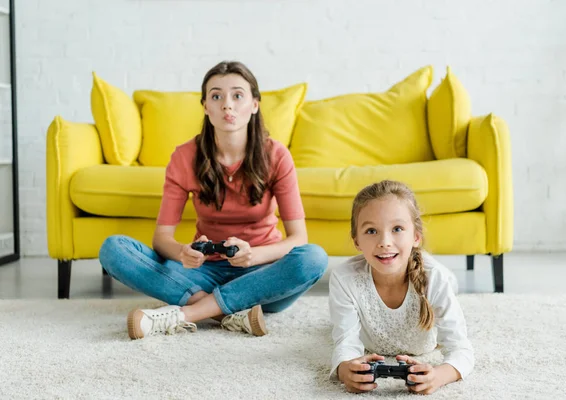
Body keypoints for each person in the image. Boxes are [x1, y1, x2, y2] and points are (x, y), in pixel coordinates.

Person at [99, 60, 328, 340]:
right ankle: (228, 314)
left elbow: (298, 239)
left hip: (262, 276)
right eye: (216, 96)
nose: (227, 105)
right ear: (206, 107)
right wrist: (183, 252)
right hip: (204, 272)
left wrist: (252, 255)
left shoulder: (276, 155)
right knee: (113, 249)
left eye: (238, 95)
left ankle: (189, 313)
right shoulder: (184, 156)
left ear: (255, 104)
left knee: (314, 258)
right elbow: (162, 239)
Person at [328, 180, 474, 395]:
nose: (384, 242)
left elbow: (461, 349)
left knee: (447, 282)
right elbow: (345, 342)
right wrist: (344, 369)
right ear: (356, 241)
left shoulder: (434, 279)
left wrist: (439, 376)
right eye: (371, 231)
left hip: (433, 293)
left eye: (397, 229)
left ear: (416, 236)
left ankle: (452, 285)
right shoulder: (344, 278)